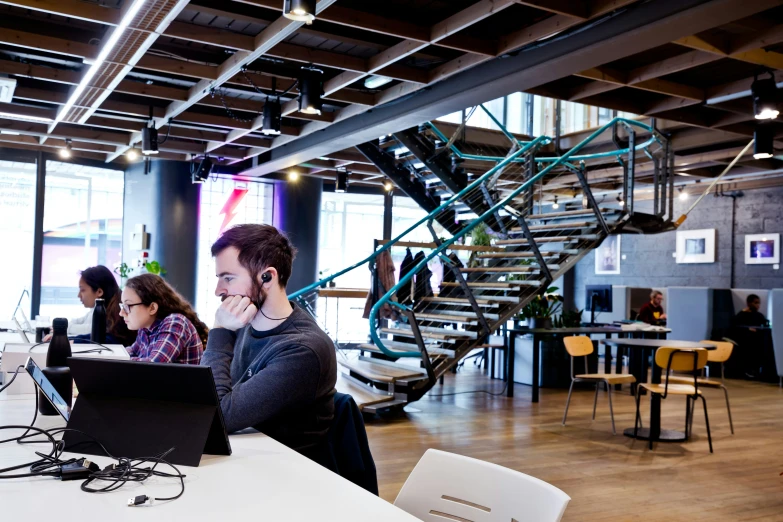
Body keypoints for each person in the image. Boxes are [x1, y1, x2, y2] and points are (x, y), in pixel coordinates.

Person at [201, 224, 336, 463]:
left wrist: (219, 331)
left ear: (267, 277)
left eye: (228, 278)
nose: (218, 291)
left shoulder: (302, 350)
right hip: (245, 456)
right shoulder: (244, 323)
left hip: (286, 474)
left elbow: (217, 415)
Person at [120, 273, 207, 364]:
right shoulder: (145, 329)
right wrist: (109, 355)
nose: (121, 313)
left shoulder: (176, 323)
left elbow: (153, 365)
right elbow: (131, 352)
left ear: (152, 308)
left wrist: (114, 359)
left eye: (128, 306)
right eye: (122, 306)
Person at [45, 265, 136, 346]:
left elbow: (107, 340)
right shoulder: (102, 307)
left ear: (99, 292)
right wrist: (67, 339)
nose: (79, 295)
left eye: (83, 290)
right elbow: (95, 335)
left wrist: (72, 340)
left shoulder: (117, 312)